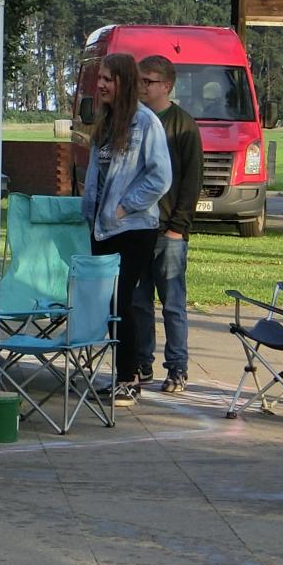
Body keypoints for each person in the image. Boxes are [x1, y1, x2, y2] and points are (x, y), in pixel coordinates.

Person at [81, 51, 171, 405]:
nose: (101, 85)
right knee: (107, 302)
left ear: (124, 82)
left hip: (133, 227)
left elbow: (160, 177)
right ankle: (121, 374)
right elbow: (97, 175)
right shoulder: (104, 123)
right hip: (102, 228)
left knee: (122, 299)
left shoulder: (145, 123)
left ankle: (131, 377)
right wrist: (91, 210)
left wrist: (123, 206)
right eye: (100, 78)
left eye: (108, 79)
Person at [138, 55, 204, 393]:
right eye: (139, 80)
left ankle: (177, 368)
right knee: (138, 302)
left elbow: (192, 180)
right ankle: (141, 363)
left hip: (169, 230)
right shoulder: (133, 119)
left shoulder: (183, 125)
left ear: (166, 86)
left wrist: (178, 226)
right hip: (137, 228)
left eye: (148, 81)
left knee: (173, 304)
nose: (142, 87)